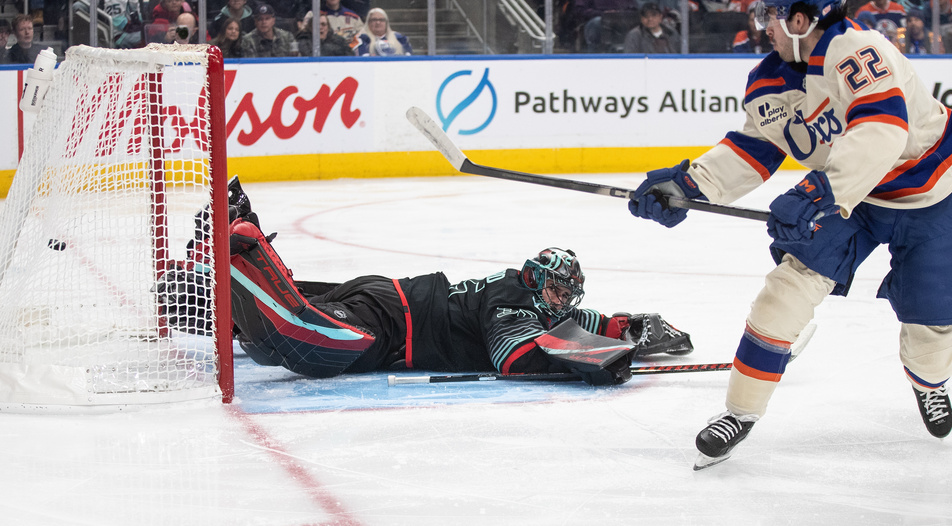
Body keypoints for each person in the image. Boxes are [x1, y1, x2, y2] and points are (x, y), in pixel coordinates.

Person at [629, 0, 952, 469]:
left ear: (801, 20)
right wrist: (688, 185)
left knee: (933, 321)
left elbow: (883, 132)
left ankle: (930, 382)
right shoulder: (769, 80)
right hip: (851, 200)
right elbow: (753, 151)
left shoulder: (860, 51)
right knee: (784, 292)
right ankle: (740, 412)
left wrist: (819, 192)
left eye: (771, 13)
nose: (763, 25)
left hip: (931, 193)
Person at [157, 179, 691, 384]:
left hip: (389, 304)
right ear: (534, 280)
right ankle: (242, 243)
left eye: (563, 296)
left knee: (272, 348)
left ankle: (203, 285)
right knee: (305, 342)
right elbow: (514, 356)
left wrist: (631, 329)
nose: (558, 302)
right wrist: (594, 364)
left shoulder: (534, 301)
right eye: (552, 290)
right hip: (391, 322)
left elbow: (581, 323)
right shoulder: (514, 301)